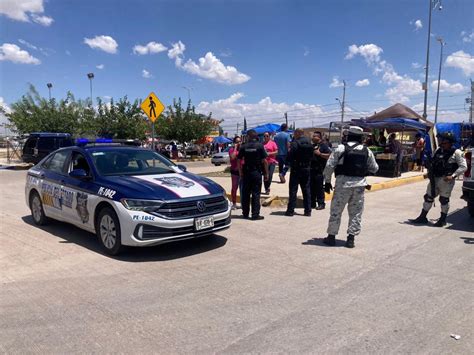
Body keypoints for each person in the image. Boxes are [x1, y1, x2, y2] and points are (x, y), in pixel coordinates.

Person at [322, 126, 379, 248]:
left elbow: (329, 166)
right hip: (359, 185)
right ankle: (351, 239)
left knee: (336, 211)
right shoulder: (366, 151)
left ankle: (331, 237)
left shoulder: (340, 148)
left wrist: (327, 182)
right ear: (361, 137)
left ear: (348, 136)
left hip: (342, 185)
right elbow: (375, 168)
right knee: (356, 213)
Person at [410, 132, 467, 227]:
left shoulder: (457, 152)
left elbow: (463, 167)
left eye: (443, 140)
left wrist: (453, 176)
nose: (441, 142)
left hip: (446, 180)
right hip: (434, 178)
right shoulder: (438, 150)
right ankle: (422, 217)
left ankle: (442, 219)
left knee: (444, 199)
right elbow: (432, 162)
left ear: (448, 141)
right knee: (428, 197)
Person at [237, 130, 269, 220]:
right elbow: (265, 161)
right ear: (256, 136)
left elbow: (238, 160)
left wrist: (240, 172)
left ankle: (245, 213)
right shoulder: (260, 146)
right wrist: (266, 173)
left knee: (245, 193)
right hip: (256, 172)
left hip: (246, 172)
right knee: (256, 193)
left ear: (248, 136)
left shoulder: (244, 146)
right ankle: (255, 214)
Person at [285, 128, 314, 217]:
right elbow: (312, 155)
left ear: (298, 133)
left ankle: (290, 211)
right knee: (306, 190)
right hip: (306, 168)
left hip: (296, 169)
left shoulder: (295, 143)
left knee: (293, 190)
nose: (294, 134)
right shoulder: (309, 143)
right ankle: (308, 211)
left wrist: (288, 162)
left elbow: (290, 156)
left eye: (295, 133)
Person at [310, 131, 332, 210]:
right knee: (311, 187)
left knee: (319, 187)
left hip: (320, 170)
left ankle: (321, 203)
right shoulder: (312, 146)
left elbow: (330, 155)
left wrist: (320, 154)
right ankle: (312, 203)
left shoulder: (324, 146)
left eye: (314, 136)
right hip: (311, 169)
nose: (313, 137)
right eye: (313, 136)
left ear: (319, 137)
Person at [229, 136, 242, 209]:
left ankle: (242, 202)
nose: (239, 143)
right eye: (237, 142)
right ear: (234, 143)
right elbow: (232, 157)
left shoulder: (242, 150)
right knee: (234, 187)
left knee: (242, 188)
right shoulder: (231, 150)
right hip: (234, 171)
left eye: (240, 141)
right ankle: (234, 203)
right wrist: (235, 148)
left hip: (242, 171)